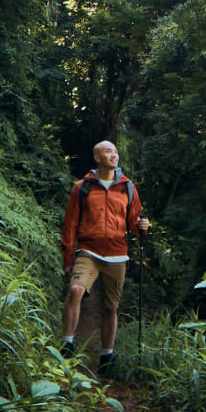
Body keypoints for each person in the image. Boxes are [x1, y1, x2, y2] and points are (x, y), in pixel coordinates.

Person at [61, 139, 149, 376]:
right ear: (97, 158)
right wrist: (68, 258)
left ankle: (107, 357)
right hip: (88, 251)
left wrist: (143, 226)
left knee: (111, 308)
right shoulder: (82, 188)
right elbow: (70, 225)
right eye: (109, 151)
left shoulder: (128, 188)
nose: (114, 155)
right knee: (76, 290)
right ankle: (67, 344)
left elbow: (133, 224)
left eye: (116, 151)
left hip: (117, 255)